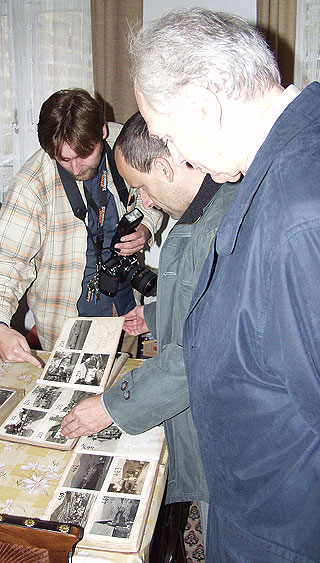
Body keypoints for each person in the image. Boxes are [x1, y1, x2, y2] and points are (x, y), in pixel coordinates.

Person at [131, 7, 320, 561]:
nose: (179, 157)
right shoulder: (281, 162)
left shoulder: (300, 212)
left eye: (167, 135)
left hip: (282, 530)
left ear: (205, 108)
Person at [61, 112, 239, 543]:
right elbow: (212, 308)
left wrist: (110, 407)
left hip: (233, 436)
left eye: (139, 187)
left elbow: (199, 352)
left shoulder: (220, 227)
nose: (142, 201)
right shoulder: (208, 207)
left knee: (229, 536)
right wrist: (156, 316)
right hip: (221, 418)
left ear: (164, 166)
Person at [0, 89, 161, 367]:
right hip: (67, 330)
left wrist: (145, 225)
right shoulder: (32, 184)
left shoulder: (127, 146)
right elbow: (4, 263)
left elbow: (157, 193)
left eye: (84, 154)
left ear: (103, 133)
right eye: (64, 159)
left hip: (127, 312)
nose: (75, 167)